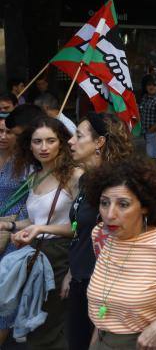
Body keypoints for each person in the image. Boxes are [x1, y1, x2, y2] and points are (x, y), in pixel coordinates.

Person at [83, 156, 156, 349]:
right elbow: (106, 293)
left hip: (146, 343)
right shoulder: (100, 236)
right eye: (104, 203)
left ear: (144, 206)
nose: (110, 214)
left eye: (123, 204)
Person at [9, 116, 83, 350]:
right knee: (33, 320)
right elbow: (35, 220)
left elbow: (79, 227)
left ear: (61, 142)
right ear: (28, 145)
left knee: (50, 323)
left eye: (50, 141)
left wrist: (40, 229)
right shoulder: (34, 176)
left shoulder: (75, 176)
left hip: (60, 256)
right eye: (37, 141)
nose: (43, 147)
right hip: (34, 255)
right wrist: (11, 226)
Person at [66, 112, 135, 350]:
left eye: (78, 136)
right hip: (80, 280)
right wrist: (71, 271)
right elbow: (81, 230)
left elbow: (122, 242)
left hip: (103, 290)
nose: (70, 141)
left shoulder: (116, 186)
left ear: (99, 143)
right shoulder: (86, 180)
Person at [0, 113, 31, 347]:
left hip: (11, 235)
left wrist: (11, 225)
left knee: (4, 295)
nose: (3, 136)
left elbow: (33, 203)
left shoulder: (27, 164)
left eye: (8, 132)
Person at [140, 75, 156, 160]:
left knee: (153, 156)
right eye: (149, 85)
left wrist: (153, 128)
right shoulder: (144, 97)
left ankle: (155, 172)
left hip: (154, 132)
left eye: (154, 85)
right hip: (145, 132)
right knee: (151, 155)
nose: (151, 87)